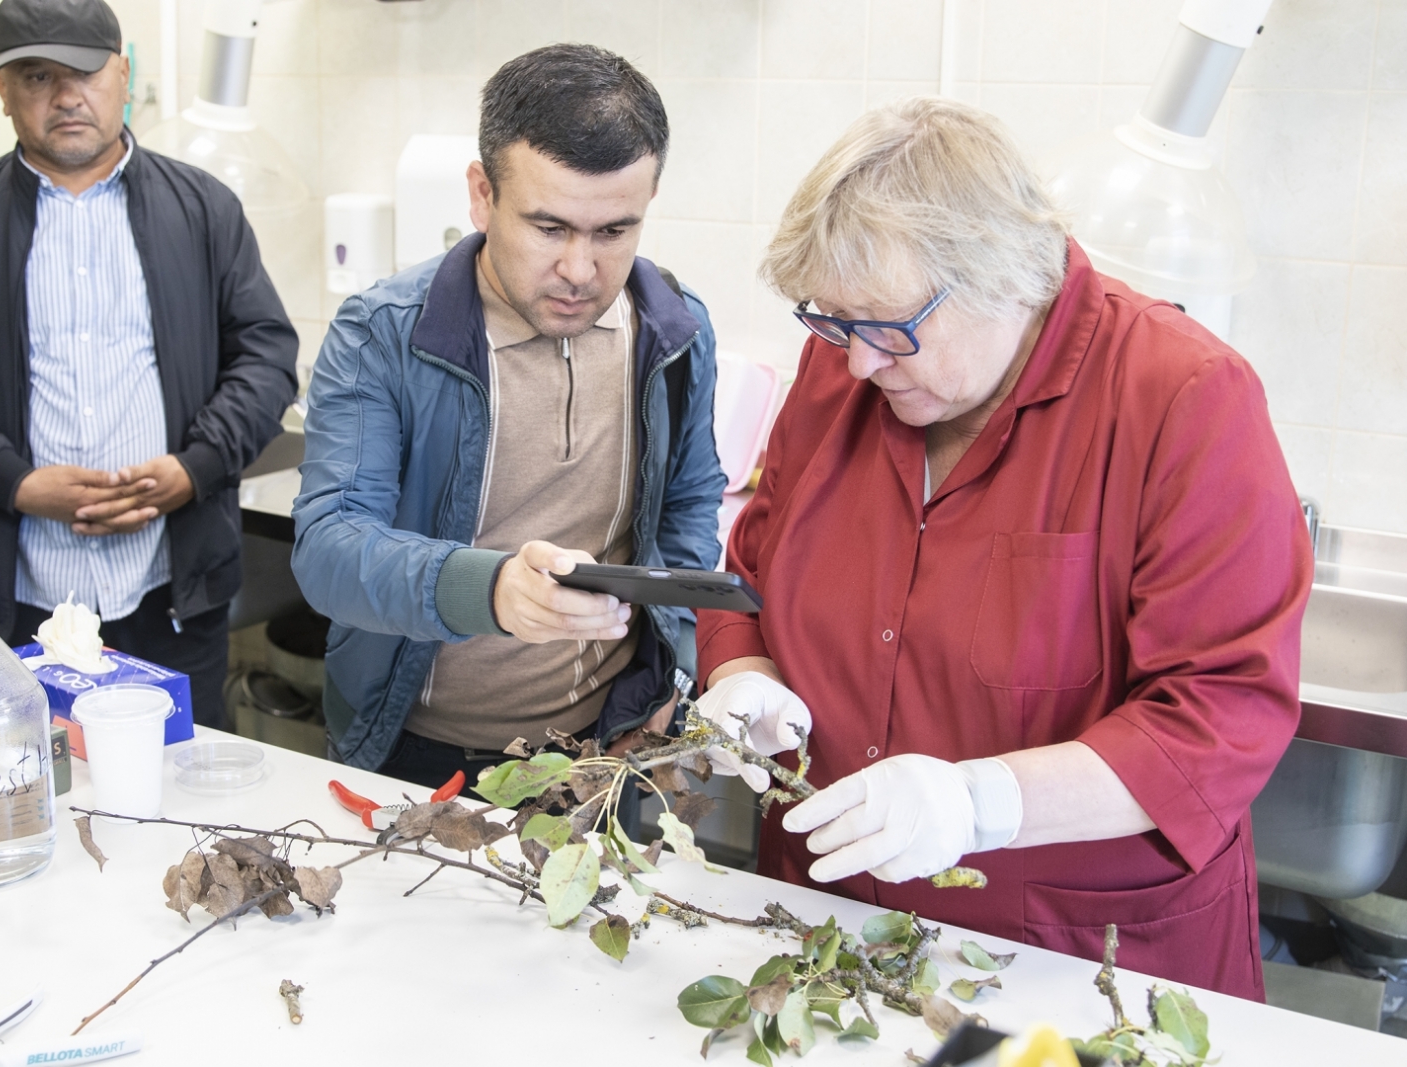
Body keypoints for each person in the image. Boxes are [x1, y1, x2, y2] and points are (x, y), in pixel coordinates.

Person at [693, 98, 1310, 1000]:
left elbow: (1219, 716)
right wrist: (741, 676)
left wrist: (982, 802)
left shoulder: (1183, 398)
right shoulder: (851, 368)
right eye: (834, 324)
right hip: (833, 929)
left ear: (1006, 280)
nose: (858, 364)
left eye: (890, 328)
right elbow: (748, 574)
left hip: (1076, 962)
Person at [292, 44, 727, 789]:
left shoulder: (675, 332)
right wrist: (490, 591)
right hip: (416, 758)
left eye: (614, 231)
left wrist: (673, 673)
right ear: (481, 194)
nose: (581, 271)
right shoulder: (384, 334)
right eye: (549, 227)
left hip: (602, 753)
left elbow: (687, 512)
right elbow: (329, 548)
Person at [0, 0, 297, 730]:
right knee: (29, 796)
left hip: (170, 585)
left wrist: (194, 467)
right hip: (18, 595)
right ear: (2, 91)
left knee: (180, 796)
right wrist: (16, 482)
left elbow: (266, 354)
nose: (67, 96)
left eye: (86, 72)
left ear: (123, 75)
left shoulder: (203, 208)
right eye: (38, 76)